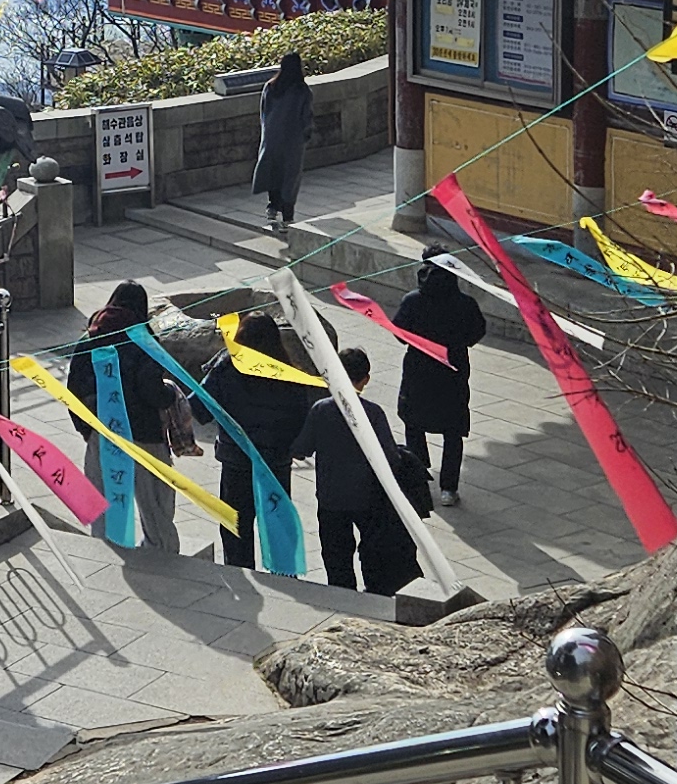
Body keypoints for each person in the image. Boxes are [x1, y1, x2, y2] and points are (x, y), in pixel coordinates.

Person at [69, 282, 203, 553]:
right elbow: (150, 389)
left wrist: (86, 429)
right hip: (143, 433)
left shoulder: (89, 338)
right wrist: (169, 396)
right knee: (155, 501)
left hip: (102, 431)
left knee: (104, 498)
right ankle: (161, 551)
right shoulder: (143, 340)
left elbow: (74, 390)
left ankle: (105, 549)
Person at [204, 306, 319, 569]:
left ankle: (239, 571)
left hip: (236, 461)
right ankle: (284, 574)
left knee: (236, 525)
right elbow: (302, 418)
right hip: (275, 462)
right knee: (277, 523)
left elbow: (199, 408)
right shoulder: (289, 375)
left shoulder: (225, 369)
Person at [310, 344, 425, 595]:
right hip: (367, 497)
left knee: (336, 553)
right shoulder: (373, 413)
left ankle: (342, 595)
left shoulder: (321, 409)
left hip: (331, 497)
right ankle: (372, 593)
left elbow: (303, 447)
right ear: (366, 379)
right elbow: (390, 458)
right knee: (372, 548)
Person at [389, 250, 491, 497]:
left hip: (418, 369)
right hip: (453, 370)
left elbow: (399, 333)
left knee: (414, 423)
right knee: (453, 430)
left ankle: (419, 477)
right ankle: (448, 488)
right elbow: (477, 332)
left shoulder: (412, 301)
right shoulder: (465, 303)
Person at [253, 49, 314, 232]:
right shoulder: (302, 90)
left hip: (272, 137)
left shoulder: (270, 87)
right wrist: (306, 135)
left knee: (273, 172)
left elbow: (263, 112)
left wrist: (267, 133)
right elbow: (306, 117)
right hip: (292, 140)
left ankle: (272, 208)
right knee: (290, 177)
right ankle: (288, 217)